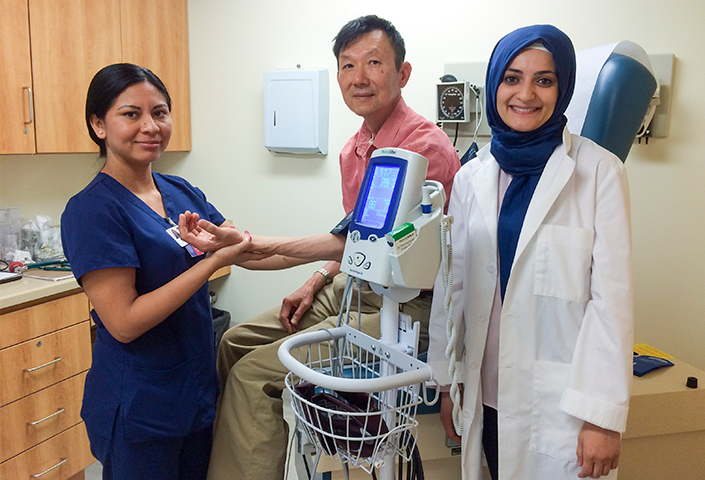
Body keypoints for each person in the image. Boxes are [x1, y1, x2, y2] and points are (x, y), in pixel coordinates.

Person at [204, 15, 461, 480]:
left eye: (374, 63)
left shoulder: (425, 151)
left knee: (254, 375)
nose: (358, 77)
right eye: (347, 65)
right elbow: (352, 245)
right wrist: (316, 278)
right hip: (353, 287)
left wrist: (251, 245)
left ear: (402, 74)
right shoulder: (354, 150)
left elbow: (377, 245)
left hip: (411, 307)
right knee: (232, 343)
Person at [427, 25, 634, 480]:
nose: (526, 94)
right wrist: (446, 383)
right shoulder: (472, 176)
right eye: (512, 78)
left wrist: (601, 417)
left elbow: (611, 305)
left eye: (544, 80)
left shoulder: (599, 172)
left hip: (561, 407)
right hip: (485, 395)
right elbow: (451, 287)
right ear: (494, 84)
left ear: (563, 89)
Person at [60, 63, 257, 480]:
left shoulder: (180, 191)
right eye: (131, 114)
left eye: (160, 112)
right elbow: (125, 322)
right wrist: (212, 263)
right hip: (139, 408)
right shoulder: (92, 210)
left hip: (194, 394)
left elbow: (241, 248)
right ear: (99, 125)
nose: (150, 126)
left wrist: (333, 252)